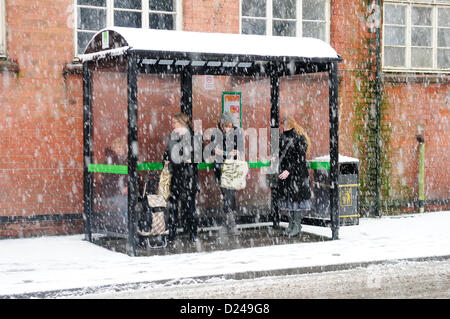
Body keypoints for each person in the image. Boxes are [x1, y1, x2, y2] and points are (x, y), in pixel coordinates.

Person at [163, 112, 199, 242]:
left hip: (188, 177)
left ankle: (192, 234)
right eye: (172, 122)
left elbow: (199, 157)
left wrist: (190, 159)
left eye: (174, 122)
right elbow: (166, 154)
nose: (172, 125)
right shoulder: (172, 137)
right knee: (172, 207)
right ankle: (172, 234)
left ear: (182, 123)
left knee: (190, 207)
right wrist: (166, 161)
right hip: (175, 177)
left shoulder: (193, 136)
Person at [209, 112, 244, 235]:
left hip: (232, 168)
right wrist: (218, 151)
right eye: (225, 125)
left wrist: (237, 152)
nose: (227, 128)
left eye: (229, 125)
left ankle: (229, 222)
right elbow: (211, 151)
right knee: (227, 195)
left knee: (231, 195)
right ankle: (230, 222)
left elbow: (241, 149)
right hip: (221, 169)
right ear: (221, 125)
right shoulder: (216, 133)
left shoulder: (237, 132)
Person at [277, 115, 311, 237]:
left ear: (289, 125)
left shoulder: (299, 138)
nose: (282, 127)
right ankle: (291, 225)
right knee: (289, 201)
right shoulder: (282, 137)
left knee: (296, 201)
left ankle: (296, 226)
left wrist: (289, 170)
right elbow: (281, 154)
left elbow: (300, 159)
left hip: (297, 175)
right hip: (287, 175)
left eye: (283, 124)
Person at [103, 136, 128, 234]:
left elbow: (135, 177)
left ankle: (127, 226)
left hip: (125, 192)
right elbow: (108, 180)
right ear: (113, 149)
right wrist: (120, 190)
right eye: (118, 147)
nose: (121, 150)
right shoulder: (110, 161)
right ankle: (124, 227)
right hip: (113, 193)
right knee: (124, 202)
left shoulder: (127, 160)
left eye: (122, 147)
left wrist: (129, 187)